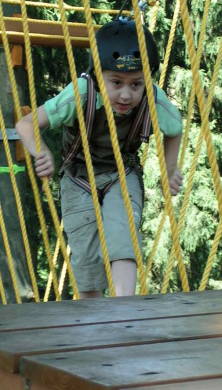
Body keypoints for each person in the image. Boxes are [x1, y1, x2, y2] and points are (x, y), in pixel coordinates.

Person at [16, 19, 183, 299]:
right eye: (116, 82)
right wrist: (41, 151)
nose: (126, 94)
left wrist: (169, 168)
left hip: (122, 173)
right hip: (77, 176)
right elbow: (26, 124)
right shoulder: (81, 93)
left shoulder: (153, 98)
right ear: (98, 75)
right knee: (86, 254)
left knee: (124, 236)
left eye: (136, 83)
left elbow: (174, 129)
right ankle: (94, 316)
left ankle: (124, 308)